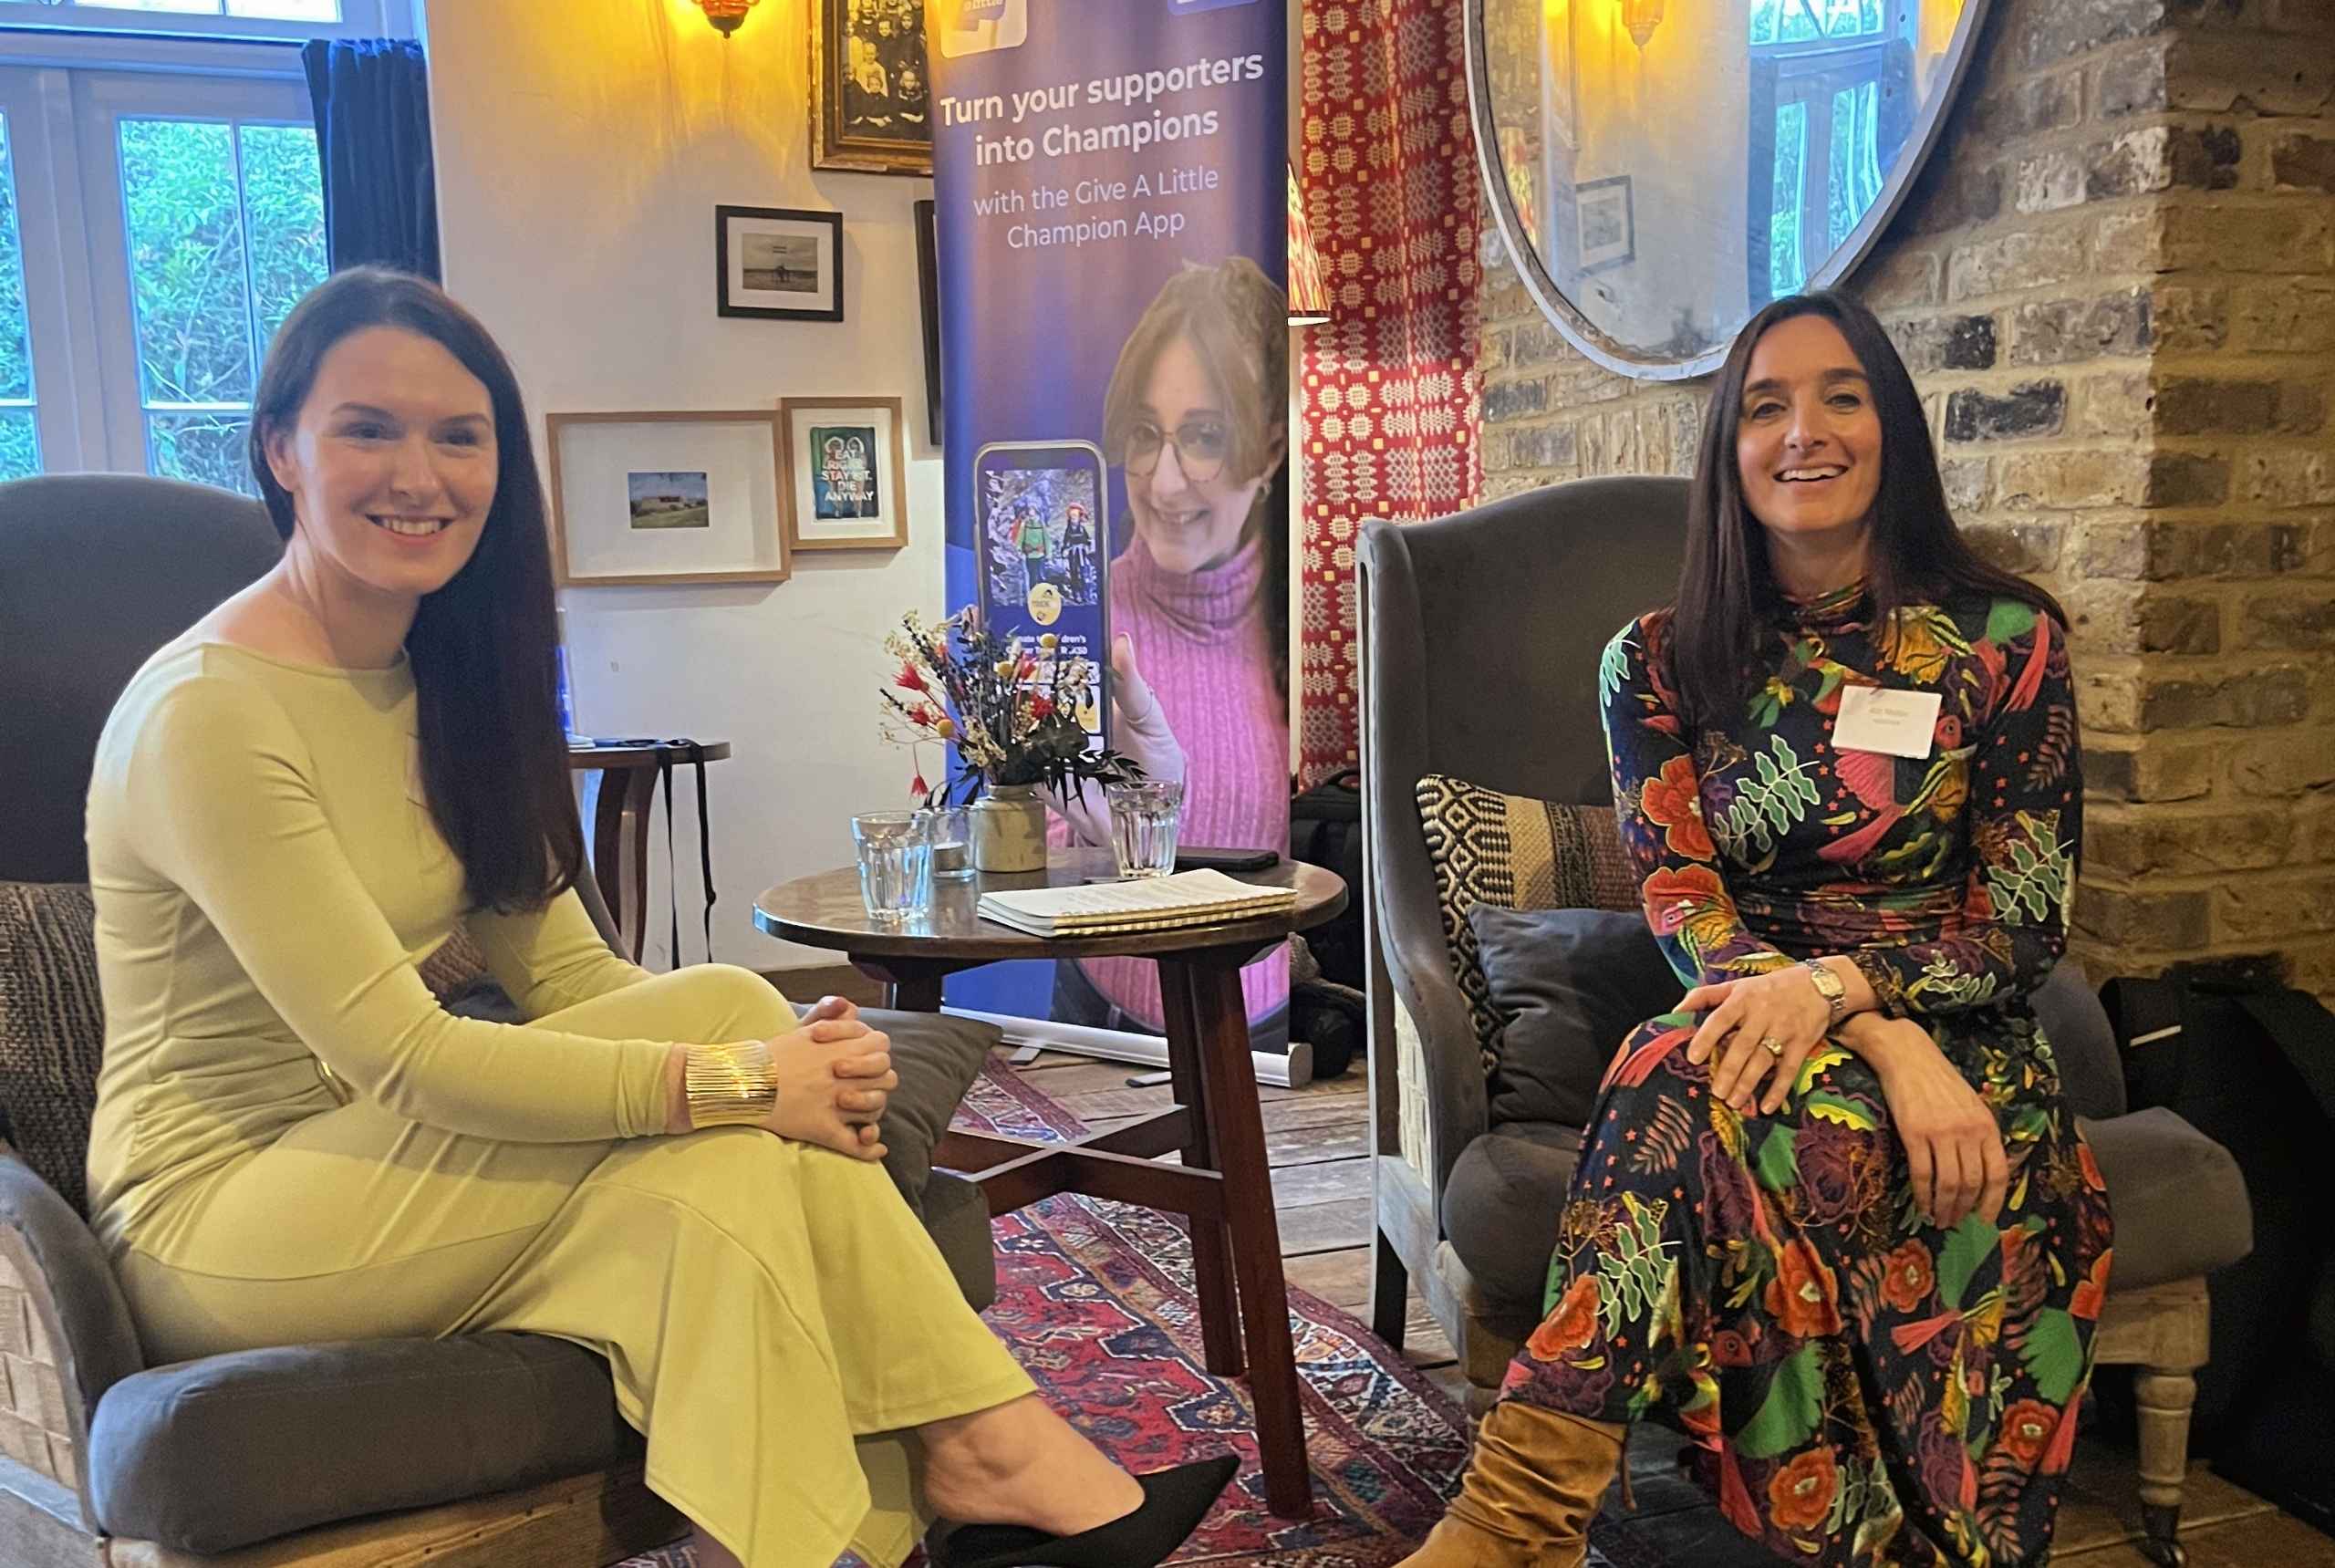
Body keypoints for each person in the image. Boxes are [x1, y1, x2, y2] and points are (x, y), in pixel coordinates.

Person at [82, 268, 1236, 1568]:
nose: (421, 471)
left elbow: (573, 976)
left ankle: (915, 1502)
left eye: (460, 436)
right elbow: (406, 1056)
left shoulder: (448, 681)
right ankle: (989, 1458)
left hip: (380, 1155)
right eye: (368, 428)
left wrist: (787, 1062)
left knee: (730, 1088)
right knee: (737, 1089)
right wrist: (748, 1083)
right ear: (281, 449)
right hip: (223, 1215)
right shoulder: (210, 713)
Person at [1401, 291, 2110, 1567]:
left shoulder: (2006, 642)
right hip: (1759, 1016)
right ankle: (1522, 1525)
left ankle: (1509, 1527)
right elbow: (1682, 901)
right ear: (1728, 446)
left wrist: (1862, 1006)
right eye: (1766, 405)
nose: (1805, 430)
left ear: (1890, 424)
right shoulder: (1659, 659)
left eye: (1842, 394)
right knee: (1690, 1069)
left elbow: (2020, 927)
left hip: (1969, 1044)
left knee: (1670, 1075)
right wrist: (1856, 1029)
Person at [1051, 257, 1292, 1053]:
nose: (1164, 479)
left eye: (1205, 437)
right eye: (1145, 434)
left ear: (1269, 450)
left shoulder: (1316, 632)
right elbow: (1019, 867)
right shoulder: (1076, 617)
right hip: (1099, 1030)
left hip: (1281, 1041)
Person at [1061, 500, 1097, 605]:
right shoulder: (1068, 529)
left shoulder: (1082, 528)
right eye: (1072, 516)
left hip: (1082, 553)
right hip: (1073, 554)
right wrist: (1064, 550)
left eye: (1075, 516)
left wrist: (1088, 547)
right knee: (1074, 573)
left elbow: (1088, 540)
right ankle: (1076, 594)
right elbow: (1065, 541)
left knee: (1084, 573)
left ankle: (1085, 594)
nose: (1074, 518)